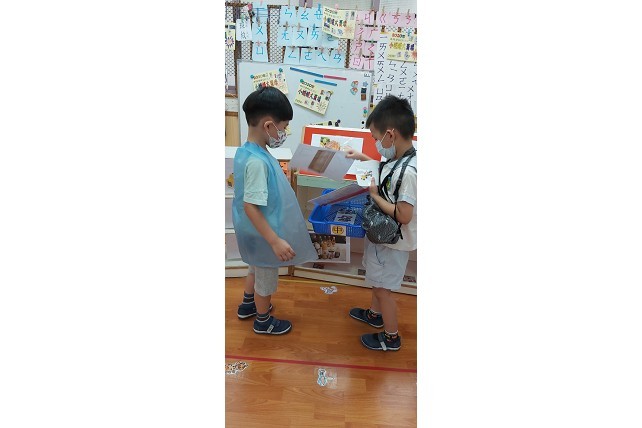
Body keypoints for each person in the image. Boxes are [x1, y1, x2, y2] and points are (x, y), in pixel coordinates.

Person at [233, 86, 318, 335]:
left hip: (251, 230)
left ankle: (248, 304)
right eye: (284, 127)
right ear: (268, 125)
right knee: (265, 279)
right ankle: (263, 320)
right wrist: (275, 241)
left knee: (254, 267)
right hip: (263, 233)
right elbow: (251, 205)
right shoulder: (257, 161)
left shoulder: (248, 151)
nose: (284, 132)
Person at [345, 95, 417, 351]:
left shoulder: (409, 173)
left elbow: (404, 215)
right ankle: (375, 315)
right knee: (377, 282)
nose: (377, 144)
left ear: (390, 134)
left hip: (392, 244)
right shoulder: (399, 158)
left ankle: (391, 337)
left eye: (376, 138)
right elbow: (384, 169)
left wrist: (375, 196)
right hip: (382, 238)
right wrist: (362, 156)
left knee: (383, 289)